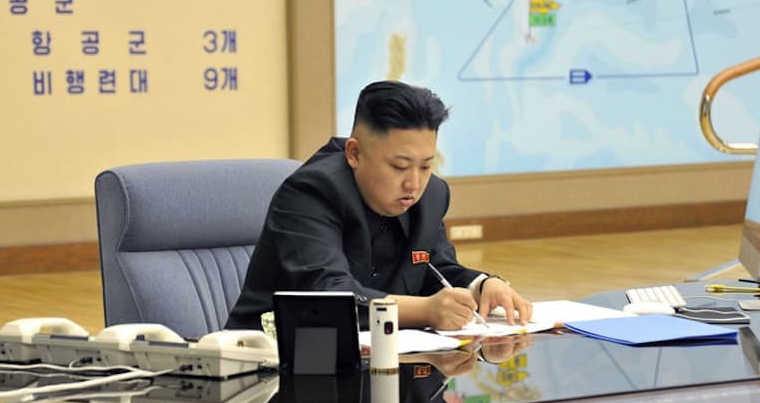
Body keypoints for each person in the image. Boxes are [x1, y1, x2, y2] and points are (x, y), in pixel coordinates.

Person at [225, 80, 531, 331]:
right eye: (399, 166)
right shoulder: (311, 192)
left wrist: (482, 285)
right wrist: (426, 310)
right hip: (270, 367)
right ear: (355, 153)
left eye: (426, 166)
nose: (413, 184)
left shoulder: (432, 196)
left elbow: (434, 268)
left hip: (381, 362)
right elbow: (329, 294)